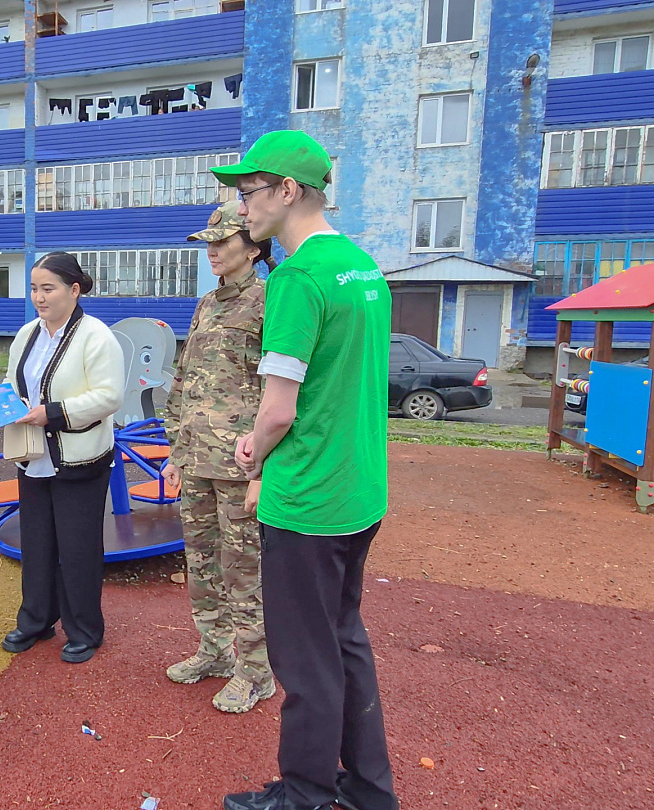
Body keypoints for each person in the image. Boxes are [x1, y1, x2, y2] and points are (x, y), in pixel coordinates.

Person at [215, 131, 398, 810]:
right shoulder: (361, 266)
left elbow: (278, 411)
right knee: (344, 640)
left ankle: (304, 794)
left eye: (250, 192)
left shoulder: (294, 277)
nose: (242, 208)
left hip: (308, 497)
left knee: (305, 659)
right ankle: (369, 791)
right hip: (359, 489)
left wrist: (251, 450)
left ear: (288, 191)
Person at [160, 200, 273, 713]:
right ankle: (214, 651)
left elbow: (281, 390)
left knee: (242, 568)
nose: (212, 251)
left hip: (239, 465)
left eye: (223, 242)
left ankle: (256, 671)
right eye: (208, 243)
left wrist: (264, 466)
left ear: (252, 247)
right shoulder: (207, 304)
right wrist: (175, 449)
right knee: (202, 564)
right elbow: (184, 380)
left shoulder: (270, 302)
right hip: (197, 461)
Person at [0, 252, 124, 664]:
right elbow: (10, 380)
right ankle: (36, 619)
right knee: (36, 543)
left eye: (47, 288)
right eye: (34, 288)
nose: (38, 296)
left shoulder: (96, 336)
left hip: (80, 458)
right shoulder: (26, 334)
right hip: (33, 455)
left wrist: (51, 412)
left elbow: (108, 397)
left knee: (78, 547)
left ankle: (84, 629)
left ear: (74, 290)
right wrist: (4, 404)